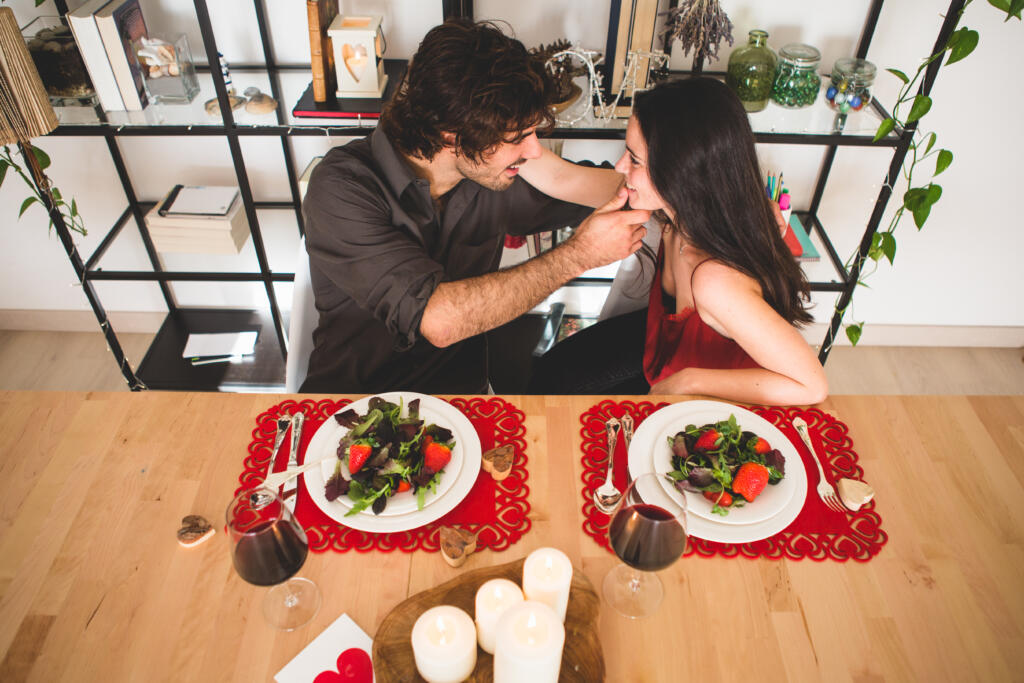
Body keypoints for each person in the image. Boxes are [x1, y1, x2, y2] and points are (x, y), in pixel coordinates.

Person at [300, 19, 648, 393]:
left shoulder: (492, 174)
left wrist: (667, 182)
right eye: (517, 138)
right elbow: (440, 321)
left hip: (463, 401)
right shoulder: (341, 189)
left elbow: (604, 189)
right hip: (349, 405)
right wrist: (580, 255)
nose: (533, 152)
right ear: (452, 135)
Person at [530, 77, 829, 406]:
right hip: (660, 348)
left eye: (634, 159)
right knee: (546, 378)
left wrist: (689, 380)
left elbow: (812, 385)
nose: (619, 166)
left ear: (680, 173)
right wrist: (501, 138)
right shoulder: (670, 210)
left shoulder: (715, 279)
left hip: (711, 392)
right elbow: (561, 177)